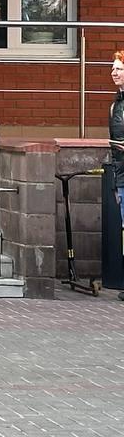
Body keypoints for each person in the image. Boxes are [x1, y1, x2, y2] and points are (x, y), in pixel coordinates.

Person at [110, 51, 124, 299]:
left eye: (119, 69)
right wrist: (115, 184)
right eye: (113, 68)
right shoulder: (115, 105)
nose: (114, 72)